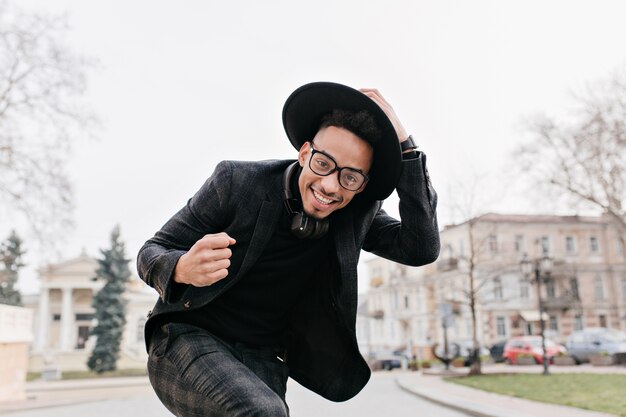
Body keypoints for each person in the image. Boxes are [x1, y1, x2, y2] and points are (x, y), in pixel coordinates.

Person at [137, 81, 440, 417]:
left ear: (362, 185)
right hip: (186, 338)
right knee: (262, 413)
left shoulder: (355, 215)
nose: (330, 186)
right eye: (323, 164)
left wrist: (408, 151)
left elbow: (420, 248)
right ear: (305, 152)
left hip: (263, 358)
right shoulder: (235, 182)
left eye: (350, 178)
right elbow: (152, 250)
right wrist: (180, 268)